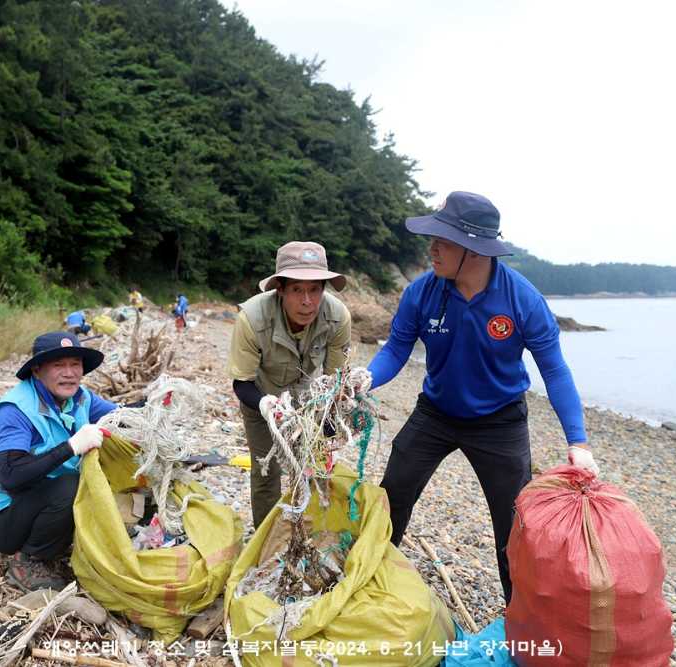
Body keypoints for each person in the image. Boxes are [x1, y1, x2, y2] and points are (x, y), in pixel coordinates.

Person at [367, 191, 597, 605]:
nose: (431, 248)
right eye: (432, 238)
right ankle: (370, 584)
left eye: (442, 240)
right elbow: (396, 349)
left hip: (500, 422)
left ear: (473, 250)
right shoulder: (422, 292)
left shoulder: (522, 300)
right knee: (392, 496)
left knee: (514, 529)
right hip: (435, 413)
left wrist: (577, 442)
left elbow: (555, 371)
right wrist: (362, 379)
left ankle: (521, 614)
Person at [226, 241, 353, 527]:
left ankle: (312, 533)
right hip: (260, 397)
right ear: (280, 289)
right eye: (297, 289)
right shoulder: (252, 318)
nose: (307, 301)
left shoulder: (337, 317)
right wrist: (265, 404)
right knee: (265, 472)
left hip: (309, 400)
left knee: (317, 470)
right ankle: (265, 538)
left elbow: (336, 382)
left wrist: (328, 422)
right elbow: (241, 382)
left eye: (315, 289)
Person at [0, 331, 115, 591]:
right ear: (38, 370)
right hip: (5, 521)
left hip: (41, 502)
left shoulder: (79, 397)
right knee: (72, 485)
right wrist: (72, 446)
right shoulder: (15, 410)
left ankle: (54, 548)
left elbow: (119, 416)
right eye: (58, 365)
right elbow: (11, 476)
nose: (69, 373)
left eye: (75, 364)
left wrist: (153, 404)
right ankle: (27, 561)